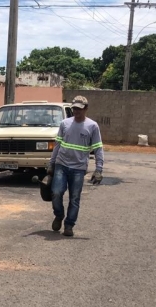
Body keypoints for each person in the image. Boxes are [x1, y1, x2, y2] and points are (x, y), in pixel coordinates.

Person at [47, 95, 104, 237]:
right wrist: (51, 163)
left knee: (74, 198)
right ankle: (59, 215)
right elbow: (57, 145)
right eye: (74, 109)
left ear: (86, 109)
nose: (76, 112)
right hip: (62, 164)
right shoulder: (65, 124)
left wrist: (99, 169)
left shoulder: (92, 126)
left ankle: (69, 225)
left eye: (79, 109)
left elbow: (98, 148)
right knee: (56, 192)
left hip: (78, 168)